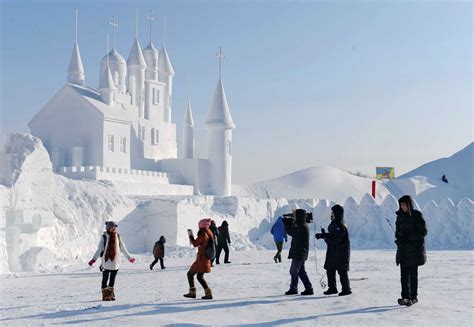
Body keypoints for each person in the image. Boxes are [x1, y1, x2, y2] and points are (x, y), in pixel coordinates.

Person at [88, 221, 135, 301]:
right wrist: (94, 259)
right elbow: (100, 249)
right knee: (105, 278)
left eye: (115, 227)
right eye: (113, 227)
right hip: (106, 261)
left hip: (115, 262)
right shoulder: (104, 237)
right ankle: (105, 295)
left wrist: (129, 257)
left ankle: (110, 294)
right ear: (108, 228)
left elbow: (123, 248)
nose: (115, 228)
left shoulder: (118, 236)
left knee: (112, 279)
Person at [395, 195, 427, 306]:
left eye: (404, 204)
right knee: (403, 276)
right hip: (403, 250)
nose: (402, 206)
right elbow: (398, 231)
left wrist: (408, 237)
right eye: (401, 205)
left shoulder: (417, 216)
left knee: (412, 275)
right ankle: (405, 297)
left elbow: (423, 232)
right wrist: (399, 238)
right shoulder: (400, 217)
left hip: (414, 251)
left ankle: (413, 297)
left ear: (409, 204)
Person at [316, 205, 352, 296]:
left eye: (333, 213)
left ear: (337, 214)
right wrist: (322, 235)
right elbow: (332, 235)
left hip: (341, 252)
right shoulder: (335, 223)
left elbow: (336, 240)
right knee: (330, 269)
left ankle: (346, 289)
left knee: (342, 271)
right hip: (333, 252)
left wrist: (325, 238)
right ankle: (332, 288)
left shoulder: (340, 225)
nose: (331, 214)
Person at [283, 209, 313, 295]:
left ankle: (294, 288)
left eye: (294, 215)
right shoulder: (301, 224)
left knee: (293, 270)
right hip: (299, 251)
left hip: (300, 252)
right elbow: (294, 231)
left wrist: (287, 224)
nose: (293, 216)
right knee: (301, 271)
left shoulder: (302, 225)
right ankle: (309, 288)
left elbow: (292, 232)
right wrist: (290, 223)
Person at [183, 218, 214, 300]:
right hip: (205, 258)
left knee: (190, 274)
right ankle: (208, 293)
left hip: (201, 259)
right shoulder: (209, 232)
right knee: (199, 277)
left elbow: (195, 244)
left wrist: (190, 235)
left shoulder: (203, 233)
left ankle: (192, 292)